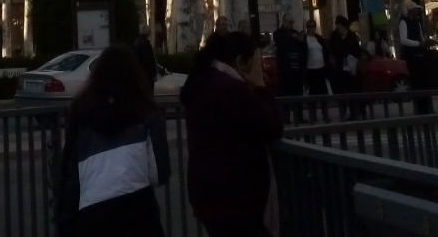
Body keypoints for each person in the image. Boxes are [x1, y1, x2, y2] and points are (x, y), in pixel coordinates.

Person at [56, 45, 170, 237]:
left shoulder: (81, 113)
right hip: (139, 213)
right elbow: (160, 172)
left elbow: (69, 176)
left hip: (92, 215)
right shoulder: (145, 111)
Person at [181, 31, 283, 236]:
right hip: (235, 198)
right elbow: (271, 126)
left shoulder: (204, 81)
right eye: (255, 63)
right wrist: (260, 85)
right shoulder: (231, 88)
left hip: (209, 194)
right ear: (240, 62)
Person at [398, 3, 431, 113]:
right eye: (415, 10)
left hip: (420, 55)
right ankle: (418, 107)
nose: (417, 12)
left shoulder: (417, 22)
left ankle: (425, 107)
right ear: (410, 11)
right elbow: (403, 40)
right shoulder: (403, 22)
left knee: (424, 81)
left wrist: (425, 42)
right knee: (415, 81)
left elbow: (421, 37)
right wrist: (418, 44)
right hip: (411, 56)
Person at [327, 16, 362, 96]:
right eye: (337, 26)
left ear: (344, 26)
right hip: (338, 67)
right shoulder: (334, 36)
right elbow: (330, 50)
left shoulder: (352, 36)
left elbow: (357, 51)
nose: (338, 28)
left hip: (350, 67)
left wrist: (354, 61)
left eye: (339, 26)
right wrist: (332, 59)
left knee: (350, 90)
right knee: (340, 91)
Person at [272, 14, 305, 96]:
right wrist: (293, 37)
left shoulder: (295, 33)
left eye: (293, 22)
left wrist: (300, 39)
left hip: (297, 70)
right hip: (286, 70)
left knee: (297, 94)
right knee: (286, 93)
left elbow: (301, 45)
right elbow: (281, 43)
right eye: (290, 22)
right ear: (284, 22)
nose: (292, 24)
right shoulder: (278, 33)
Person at [303, 20, 330, 96]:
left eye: (313, 26)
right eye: (310, 26)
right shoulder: (304, 39)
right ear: (307, 27)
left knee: (323, 91)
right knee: (313, 92)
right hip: (311, 69)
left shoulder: (319, 38)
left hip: (321, 68)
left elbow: (325, 50)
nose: (311, 28)